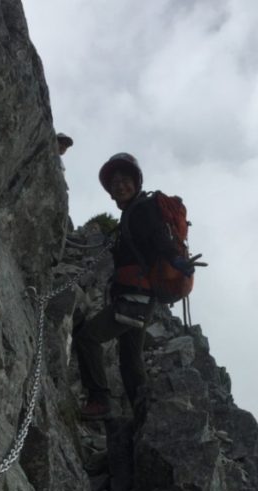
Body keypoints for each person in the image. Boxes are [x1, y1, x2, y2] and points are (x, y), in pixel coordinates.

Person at [73, 153, 186, 420]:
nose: (120, 186)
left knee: (88, 338)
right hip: (140, 298)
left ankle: (99, 399)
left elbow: (158, 237)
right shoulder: (131, 215)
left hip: (134, 297)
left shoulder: (143, 209)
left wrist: (175, 258)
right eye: (115, 183)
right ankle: (142, 415)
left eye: (125, 181)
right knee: (130, 358)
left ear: (136, 183)